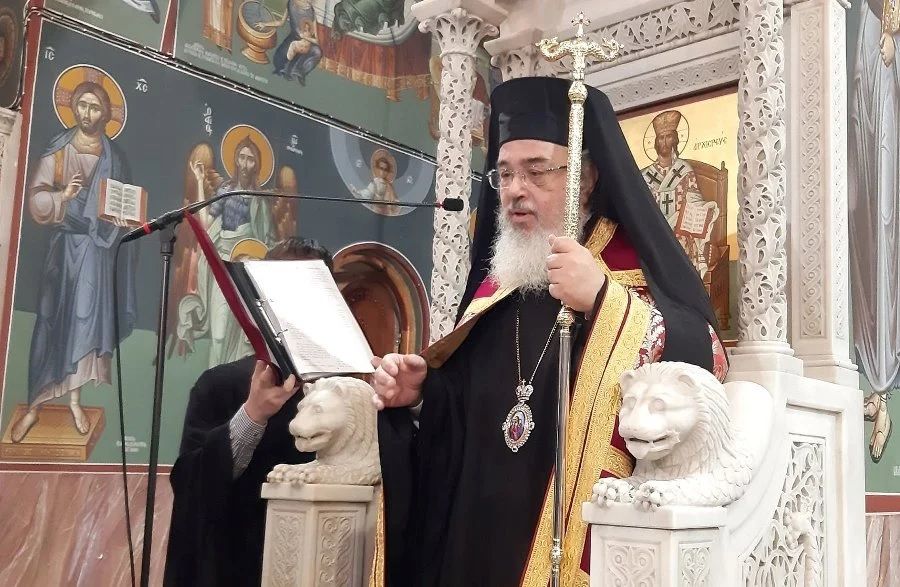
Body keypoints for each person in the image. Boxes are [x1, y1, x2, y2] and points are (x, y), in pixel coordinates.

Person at [370, 77, 727, 587]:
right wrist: (423, 393)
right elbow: (468, 409)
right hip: (475, 541)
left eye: (536, 172)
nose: (516, 189)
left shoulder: (627, 266)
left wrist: (603, 299)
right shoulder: (500, 281)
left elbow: (709, 361)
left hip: (574, 536)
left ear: (586, 177)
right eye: (505, 174)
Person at [164, 238, 334, 587]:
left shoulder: (348, 389)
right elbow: (192, 487)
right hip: (239, 565)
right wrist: (253, 415)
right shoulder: (219, 385)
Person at [11, 80, 138, 443]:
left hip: (96, 252)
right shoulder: (59, 149)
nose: (87, 113)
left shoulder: (115, 157)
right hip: (64, 248)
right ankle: (35, 405)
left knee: (85, 324)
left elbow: (121, 205)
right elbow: (36, 199)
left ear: (106, 114)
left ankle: (75, 402)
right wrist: (63, 197)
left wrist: (123, 221)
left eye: (94, 108)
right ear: (73, 107)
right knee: (52, 321)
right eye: (82, 105)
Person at [639, 110, 717, 277]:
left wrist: (705, 208)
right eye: (661, 137)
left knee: (682, 246)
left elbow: (694, 199)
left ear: (675, 139)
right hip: (655, 233)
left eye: (668, 137)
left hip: (680, 232)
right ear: (656, 142)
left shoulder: (684, 170)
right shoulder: (645, 176)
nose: (664, 141)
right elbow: (640, 208)